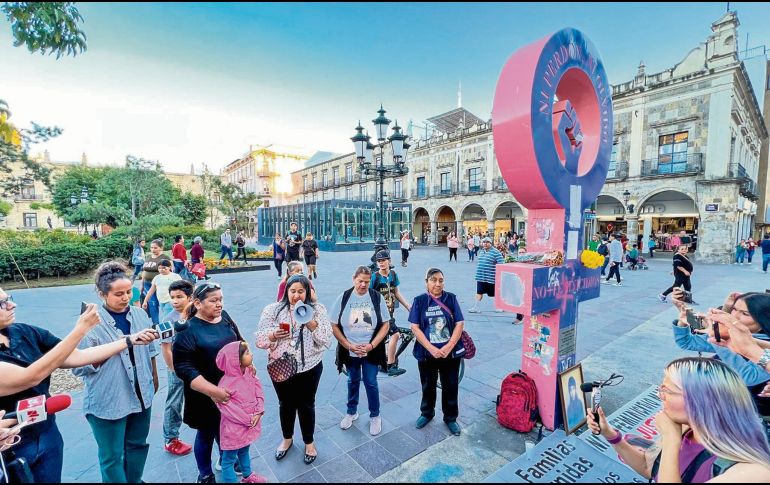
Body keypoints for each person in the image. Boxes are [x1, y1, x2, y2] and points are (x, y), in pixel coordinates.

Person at [0, 286, 155, 482]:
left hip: (45, 430)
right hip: (9, 441)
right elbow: (31, 376)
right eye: (2, 303)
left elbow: (73, 356)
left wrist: (128, 341)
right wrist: (81, 329)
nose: (12, 305)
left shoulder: (23, 331)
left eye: (9, 298)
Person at [586, 357, 770, 482]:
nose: (660, 396)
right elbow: (648, 468)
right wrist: (610, 435)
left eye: (667, 390)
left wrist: (671, 441)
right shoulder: (686, 430)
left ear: (702, 400)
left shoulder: (753, 473)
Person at [72, 261, 161, 484]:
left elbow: (151, 350)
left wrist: (154, 377)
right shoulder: (91, 323)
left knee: (138, 445)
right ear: (102, 294)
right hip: (109, 398)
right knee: (112, 456)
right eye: (118, 294)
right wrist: (120, 345)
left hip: (142, 394)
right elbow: (79, 366)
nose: (125, 298)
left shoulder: (139, 314)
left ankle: (134, 480)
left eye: (129, 292)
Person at [256, 275, 332, 465]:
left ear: (308, 292)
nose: (296, 296)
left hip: (310, 366)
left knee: (307, 405)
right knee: (286, 404)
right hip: (281, 366)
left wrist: (311, 322)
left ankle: (309, 442)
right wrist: (273, 335)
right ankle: (287, 439)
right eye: (292, 291)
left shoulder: (318, 310)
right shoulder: (273, 310)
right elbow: (259, 340)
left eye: (300, 291)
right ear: (286, 291)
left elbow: (326, 340)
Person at [173, 282, 243, 483]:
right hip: (203, 394)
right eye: (213, 301)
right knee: (206, 433)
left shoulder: (224, 316)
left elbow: (239, 341)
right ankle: (205, 474)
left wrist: (248, 363)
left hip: (230, 389)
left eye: (221, 299)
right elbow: (184, 368)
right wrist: (213, 391)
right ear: (198, 303)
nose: (219, 304)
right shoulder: (188, 329)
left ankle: (226, 459)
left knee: (227, 428)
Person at [671, 290, 770, 416]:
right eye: (734, 309)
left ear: (764, 320)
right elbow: (686, 342)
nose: (734, 316)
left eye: (745, 313)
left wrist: (718, 337)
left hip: (740, 413)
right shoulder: (733, 333)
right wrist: (685, 315)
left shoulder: (763, 346)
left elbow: (748, 377)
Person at [331, 266, 390, 436]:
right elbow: (334, 324)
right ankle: (351, 412)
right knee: (353, 380)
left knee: (371, 381)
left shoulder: (376, 297)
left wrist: (372, 345)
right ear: (353, 279)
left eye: (366, 281)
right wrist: (348, 345)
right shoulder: (344, 297)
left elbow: (386, 324)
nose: (363, 285)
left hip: (371, 349)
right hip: (351, 350)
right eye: (360, 281)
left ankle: (375, 415)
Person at [409, 268, 465, 436]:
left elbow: (460, 323)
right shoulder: (419, 301)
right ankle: (427, 413)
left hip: (450, 353)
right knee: (428, 385)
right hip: (427, 354)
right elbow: (415, 328)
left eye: (441, 280)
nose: (438, 284)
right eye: (433, 280)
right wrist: (431, 348)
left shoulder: (451, 298)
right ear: (426, 282)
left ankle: (450, 418)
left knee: (451, 385)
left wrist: (449, 346)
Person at [215, 341, 267, 483]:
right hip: (234, 430)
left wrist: (259, 410)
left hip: (248, 425)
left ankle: (247, 475)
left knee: (244, 450)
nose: (251, 354)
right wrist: (248, 419)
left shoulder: (249, 372)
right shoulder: (225, 384)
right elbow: (227, 409)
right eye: (247, 353)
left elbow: (258, 388)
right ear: (236, 360)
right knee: (228, 460)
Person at [160, 280, 194, 457]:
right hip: (177, 368)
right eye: (172, 297)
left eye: (179, 297)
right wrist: (174, 369)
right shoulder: (167, 321)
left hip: (197, 366)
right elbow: (165, 348)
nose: (174, 301)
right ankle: (171, 439)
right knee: (175, 402)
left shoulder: (197, 315)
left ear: (190, 297)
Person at [370, 250, 412, 377]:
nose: (381, 263)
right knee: (396, 335)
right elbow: (368, 295)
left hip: (389, 312)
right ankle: (390, 365)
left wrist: (408, 306)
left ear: (389, 261)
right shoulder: (375, 277)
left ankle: (384, 361)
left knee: (385, 338)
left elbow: (396, 293)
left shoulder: (393, 275)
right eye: (379, 261)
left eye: (383, 260)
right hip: (379, 315)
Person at [468, 238, 504, 314]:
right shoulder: (482, 251)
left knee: (493, 294)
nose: (485, 244)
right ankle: (476, 307)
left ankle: (499, 307)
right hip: (481, 276)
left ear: (491, 243)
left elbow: (501, 264)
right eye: (484, 242)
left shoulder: (496, 252)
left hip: (491, 277)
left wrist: (499, 276)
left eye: (487, 242)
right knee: (479, 292)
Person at [142, 238, 172, 324]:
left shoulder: (165, 258)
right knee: (152, 303)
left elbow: (170, 270)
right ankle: (156, 324)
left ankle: (167, 323)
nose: (153, 249)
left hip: (160, 285)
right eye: (151, 248)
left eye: (155, 248)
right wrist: (142, 284)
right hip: (147, 284)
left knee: (163, 303)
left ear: (161, 248)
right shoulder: (148, 257)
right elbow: (144, 271)